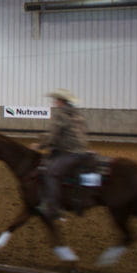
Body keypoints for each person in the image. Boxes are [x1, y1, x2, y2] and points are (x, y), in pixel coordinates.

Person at [34, 89, 90, 219]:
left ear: (61, 101)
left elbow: (54, 135)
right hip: (83, 150)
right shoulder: (77, 114)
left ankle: (52, 208)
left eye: (56, 100)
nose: (54, 102)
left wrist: (40, 145)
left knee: (50, 173)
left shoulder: (61, 115)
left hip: (71, 152)